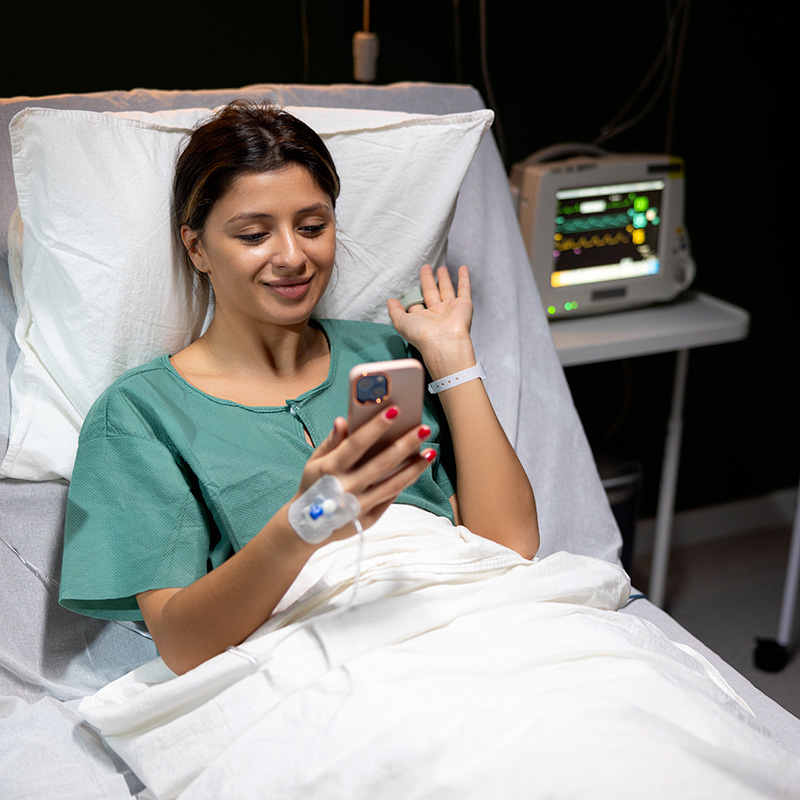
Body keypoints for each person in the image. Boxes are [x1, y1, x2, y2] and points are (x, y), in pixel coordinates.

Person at [59, 100, 539, 675]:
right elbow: (183, 646)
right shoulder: (142, 413)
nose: (293, 257)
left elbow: (510, 543)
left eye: (313, 227)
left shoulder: (389, 359)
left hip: (475, 619)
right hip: (327, 660)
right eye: (255, 234)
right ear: (196, 248)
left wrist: (452, 358)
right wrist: (306, 521)